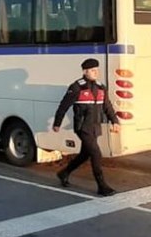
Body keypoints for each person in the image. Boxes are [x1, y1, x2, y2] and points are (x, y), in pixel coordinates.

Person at [52, 58, 121, 196]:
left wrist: (115, 121)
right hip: (83, 127)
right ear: (85, 71)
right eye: (93, 70)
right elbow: (63, 105)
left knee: (85, 154)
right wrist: (57, 123)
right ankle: (102, 186)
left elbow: (107, 106)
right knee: (96, 153)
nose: (96, 72)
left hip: (95, 127)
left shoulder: (101, 87)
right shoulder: (77, 87)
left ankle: (64, 173)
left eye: (97, 70)